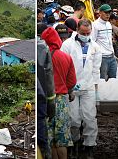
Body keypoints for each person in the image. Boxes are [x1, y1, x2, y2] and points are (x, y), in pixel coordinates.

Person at [61, 19, 102, 159]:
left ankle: (89, 144)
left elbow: (96, 70)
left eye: (88, 32)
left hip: (88, 86)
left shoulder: (95, 47)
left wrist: (96, 91)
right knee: (73, 119)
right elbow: (63, 66)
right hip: (72, 87)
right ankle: (74, 142)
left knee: (89, 117)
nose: (85, 35)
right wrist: (68, 86)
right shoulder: (67, 45)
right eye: (83, 32)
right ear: (77, 30)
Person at [41, 27, 77, 159]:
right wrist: (67, 90)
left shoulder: (42, 57)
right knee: (61, 139)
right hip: (61, 101)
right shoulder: (66, 57)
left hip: (45, 101)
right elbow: (72, 81)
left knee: (49, 139)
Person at [37, 23, 56, 159]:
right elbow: (49, 80)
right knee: (43, 142)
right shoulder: (43, 48)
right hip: (41, 101)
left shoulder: (42, 48)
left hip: (40, 100)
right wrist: (51, 106)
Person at [92, 4, 116, 80]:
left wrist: (113, 53)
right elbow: (92, 41)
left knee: (113, 80)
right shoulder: (95, 25)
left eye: (109, 13)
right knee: (102, 80)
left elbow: (109, 41)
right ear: (100, 13)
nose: (108, 15)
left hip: (111, 56)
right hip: (102, 57)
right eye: (106, 13)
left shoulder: (109, 24)